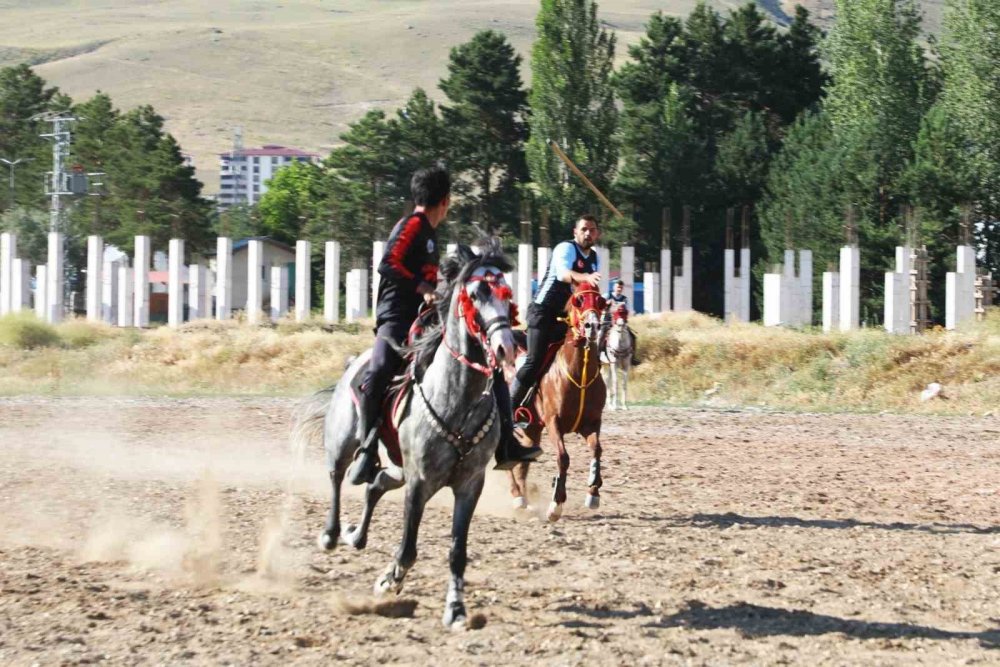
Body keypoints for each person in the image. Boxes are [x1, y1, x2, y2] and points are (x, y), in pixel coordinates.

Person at [349, 165, 540, 485]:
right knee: (380, 369)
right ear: (446, 201)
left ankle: (507, 442)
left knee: (487, 362)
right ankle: (368, 451)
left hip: (426, 318)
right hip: (396, 316)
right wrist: (423, 289)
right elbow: (388, 264)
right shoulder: (412, 225)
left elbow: (427, 277)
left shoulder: (428, 234)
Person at [509, 215, 602, 425]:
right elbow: (562, 274)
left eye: (592, 230)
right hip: (542, 312)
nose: (588, 233)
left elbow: (587, 291)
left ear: (597, 233)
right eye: (584, 229)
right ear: (575, 232)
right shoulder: (565, 248)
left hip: (566, 317)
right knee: (535, 360)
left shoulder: (595, 257)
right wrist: (586, 277)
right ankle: (509, 408)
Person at [600, 279, 640, 365]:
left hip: (620, 322)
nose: (619, 289)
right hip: (608, 321)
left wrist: (628, 314)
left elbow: (630, 310)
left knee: (633, 336)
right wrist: (606, 303)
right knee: (601, 335)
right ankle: (599, 354)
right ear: (614, 287)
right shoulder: (607, 295)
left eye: (621, 287)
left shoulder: (625, 299)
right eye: (618, 287)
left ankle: (633, 358)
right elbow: (599, 305)